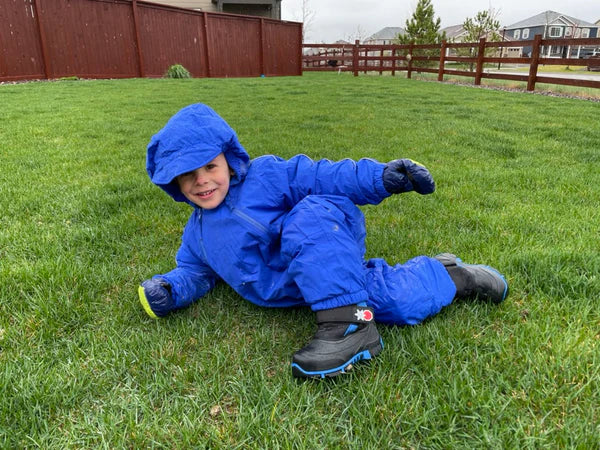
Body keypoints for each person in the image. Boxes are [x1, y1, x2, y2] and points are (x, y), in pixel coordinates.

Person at [139, 103, 509, 379]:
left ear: (229, 160)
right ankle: (453, 275)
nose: (202, 180)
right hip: (316, 290)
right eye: (188, 175)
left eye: (210, 167)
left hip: (326, 247)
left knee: (308, 213)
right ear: (174, 183)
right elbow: (195, 271)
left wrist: (381, 178)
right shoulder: (196, 234)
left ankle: (350, 328)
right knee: (394, 301)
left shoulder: (265, 176)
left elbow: (324, 175)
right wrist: (171, 289)